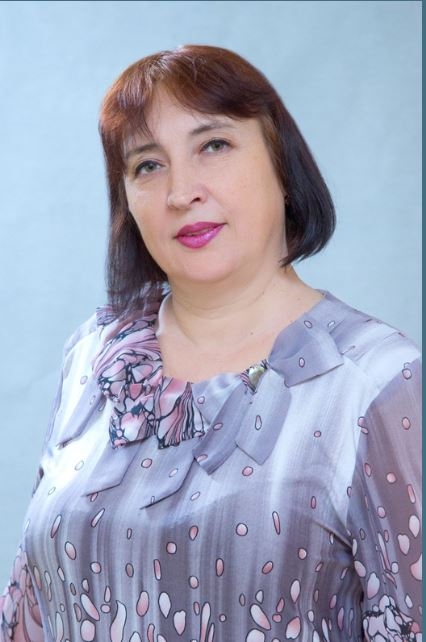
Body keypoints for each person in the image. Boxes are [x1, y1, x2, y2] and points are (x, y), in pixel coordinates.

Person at [0, 43, 421, 642]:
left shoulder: (378, 381)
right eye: (148, 165)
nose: (181, 192)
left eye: (214, 145)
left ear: (282, 162)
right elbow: (29, 607)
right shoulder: (95, 357)